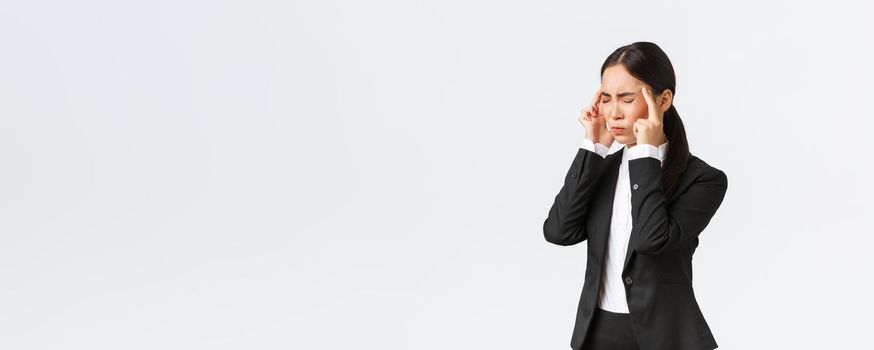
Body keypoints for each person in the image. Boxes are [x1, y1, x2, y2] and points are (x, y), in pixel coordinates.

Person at [543, 41, 728, 350]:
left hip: (666, 338)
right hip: (597, 334)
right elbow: (558, 231)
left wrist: (646, 154)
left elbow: (651, 239)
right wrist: (594, 148)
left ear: (663, 100)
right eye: (605, 98)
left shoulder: (703, 180)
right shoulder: (601, 169)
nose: (613, 112)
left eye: (627, 99)